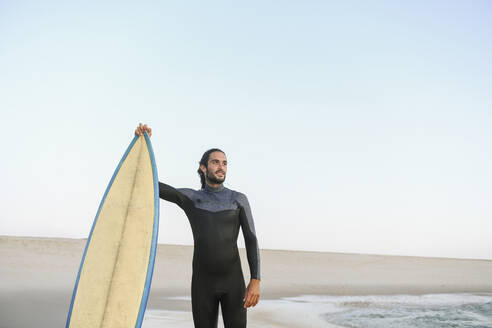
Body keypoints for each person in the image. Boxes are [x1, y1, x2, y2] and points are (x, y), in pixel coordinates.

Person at [135, 123, 261, 328]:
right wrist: (142, 144)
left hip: (233, 283)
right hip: (203, 284)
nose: (221, 166)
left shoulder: (238, 199)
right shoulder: (191, 198)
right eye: (215, 162)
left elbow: (251, 239)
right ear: (203, 168)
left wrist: (255, 280)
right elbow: (152, 184)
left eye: (225, 163)